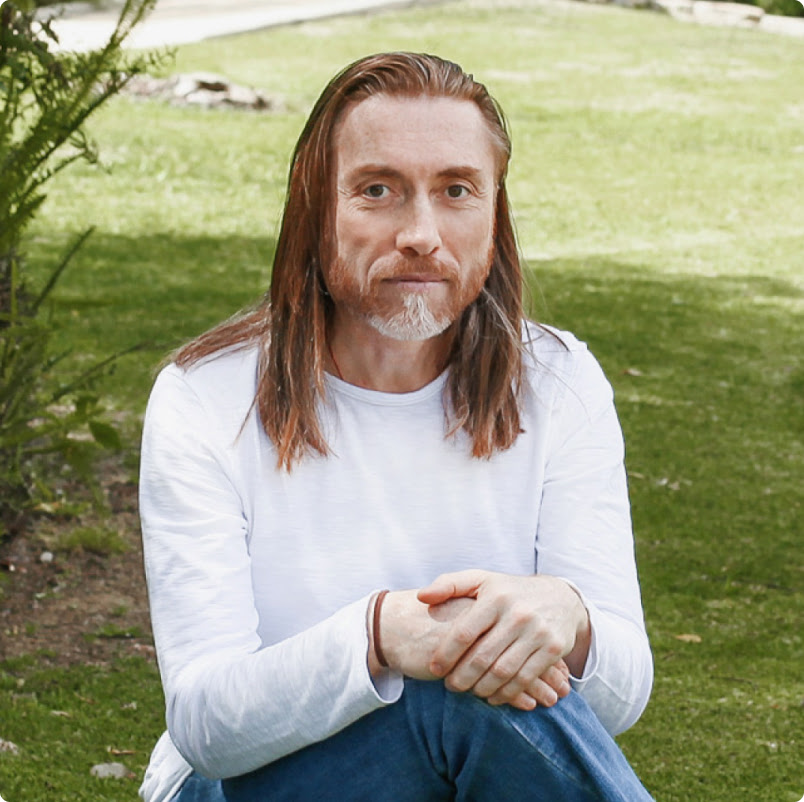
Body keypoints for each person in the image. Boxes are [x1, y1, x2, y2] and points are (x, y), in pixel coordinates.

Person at [138, 52, 654, 802]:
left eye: (456, 191)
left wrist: (571, 621)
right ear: (316, 210)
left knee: (475, 683)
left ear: (494, 212)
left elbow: (617, 700)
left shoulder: (559, 381)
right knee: (460, 688)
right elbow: (207, 727)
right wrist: (382, 637)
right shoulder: (206, 398)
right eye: (377, 190)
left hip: (465, 773)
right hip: (237, 785)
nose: (420, 233)